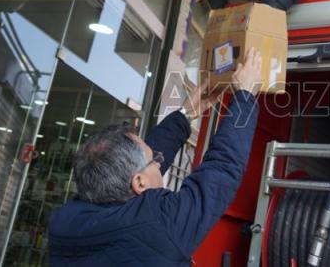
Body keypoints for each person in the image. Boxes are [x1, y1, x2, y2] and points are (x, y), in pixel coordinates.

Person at [47, 49, 263, 266]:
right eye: (155, 161)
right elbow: (222, 169)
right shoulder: (157, 225)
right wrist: (245, 98)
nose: (160, 162)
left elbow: (144, 158)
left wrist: (184, 117)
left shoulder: (67, 222)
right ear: (139, 182)